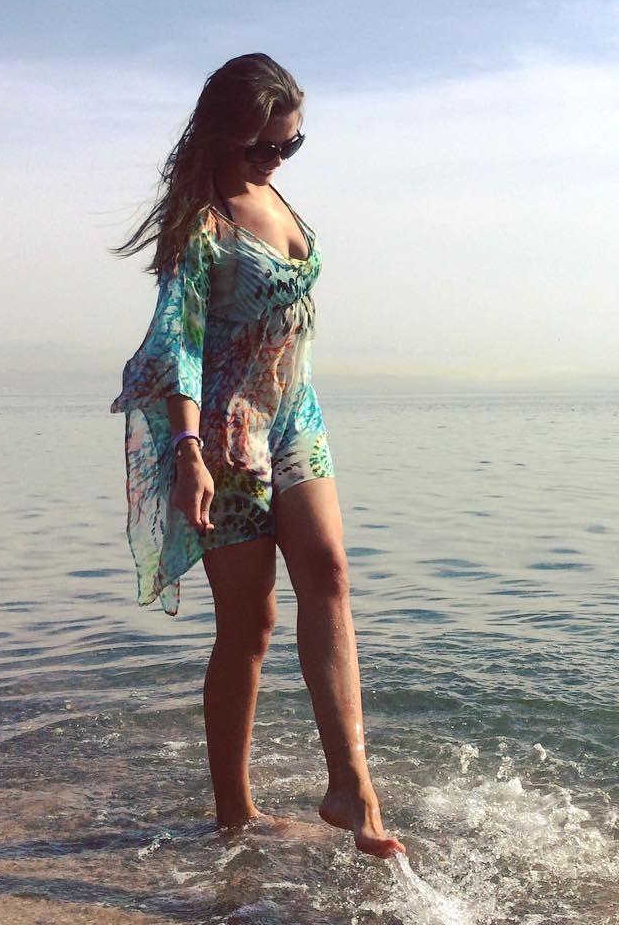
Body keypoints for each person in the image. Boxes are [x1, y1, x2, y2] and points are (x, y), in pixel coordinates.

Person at [110, 53, 406, 859]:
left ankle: (351, 785)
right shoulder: (201, 224)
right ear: (222, 135)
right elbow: (177, 344)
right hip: (228, 433)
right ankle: (234, 813)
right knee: (250, 625)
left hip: (296, 416)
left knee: (331, 575)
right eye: (262, 146)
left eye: (290, 145)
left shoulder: (273, 194)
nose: (276, 158)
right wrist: (188, 451)